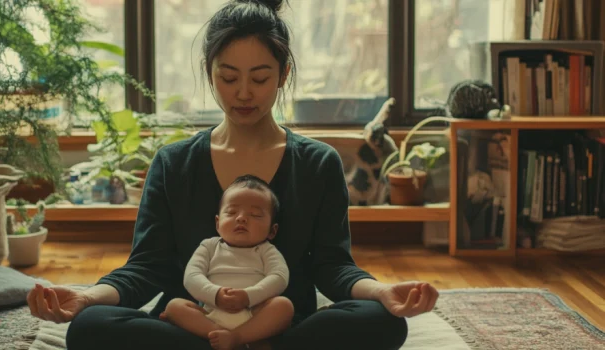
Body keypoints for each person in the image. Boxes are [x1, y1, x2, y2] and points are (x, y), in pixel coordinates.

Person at [27, 0, 440, 349]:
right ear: (210, 74)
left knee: (382, 320)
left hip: (281, 327)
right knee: (89, 328)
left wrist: (382, 292)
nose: (243, 93)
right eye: (228, 78)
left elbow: (334, 267)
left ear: (284, 76)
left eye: (260, 78)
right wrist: (86, 297)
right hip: (192, 329)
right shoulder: (174, 163)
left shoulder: (318, 163)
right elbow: (146, 268)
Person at [161, 174, 294, 350]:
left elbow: (279, 277)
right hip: (210, 314)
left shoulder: (266, 250)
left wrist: (248, 296)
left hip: (254, 313)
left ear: (272, 230)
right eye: (231, 212)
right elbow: (192, 276)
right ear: (218, 223)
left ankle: (238, 337)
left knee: (284, 306)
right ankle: (223, 335)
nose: (241, 218)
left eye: (255, 214)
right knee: (174, 306)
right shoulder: (209, 246)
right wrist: (215, 295)